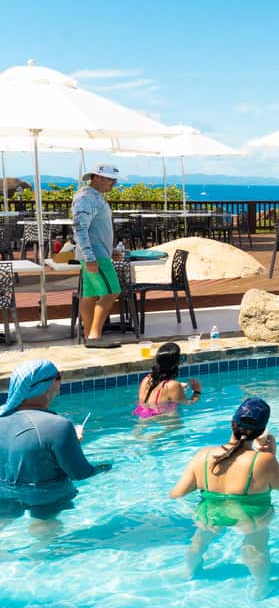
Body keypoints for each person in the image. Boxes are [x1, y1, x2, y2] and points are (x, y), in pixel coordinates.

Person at [170, 397, 279, 598]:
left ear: (232, 423)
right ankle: (262, 587)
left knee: (200, 540)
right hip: (250, 515)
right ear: (261, 432)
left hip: (211, 512)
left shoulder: (204, 454)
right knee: (255, 544)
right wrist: (272, 455)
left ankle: (188, 571)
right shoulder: (262, 460)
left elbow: (177, 493)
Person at [0, 359, 111, 534]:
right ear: (45, 385)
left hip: (4, 493)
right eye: (58, 376)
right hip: (45, 496)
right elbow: (80, 474)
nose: (61, 381)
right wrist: (106, 467)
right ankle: (38, 558)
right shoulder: (59, 426)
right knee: (45, 528)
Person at [72, 163, 123, 349]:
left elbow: (94, 229)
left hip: (98, 253)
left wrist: (110, 250)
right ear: (98, 177)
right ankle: (95, 337)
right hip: (95, 255)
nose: (114, 183)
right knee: (112, 292)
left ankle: (89, 337)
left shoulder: (94, 197)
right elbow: (79, 228)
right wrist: (90, 257)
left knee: (90, 295)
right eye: (111, 179)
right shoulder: (86, 198)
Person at [133, 342, 201, 418]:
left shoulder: (146, 379)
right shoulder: (173, 385)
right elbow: (188, 404)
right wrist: (196, 392)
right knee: (178, 425)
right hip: (162, 418)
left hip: (141, 414)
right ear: (176, 363)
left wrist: (179, 389)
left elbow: (148, 403)